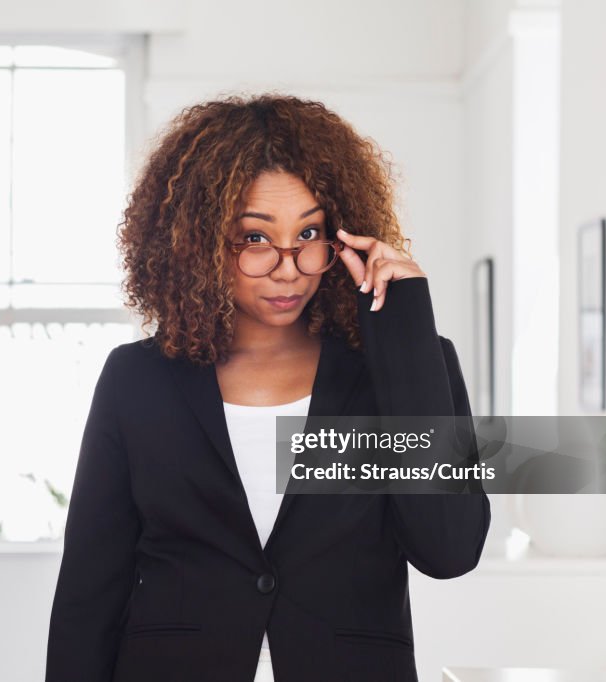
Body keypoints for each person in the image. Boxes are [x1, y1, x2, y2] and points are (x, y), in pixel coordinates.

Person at [45, 93, 491, 682]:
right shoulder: (137, 379)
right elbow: (88, 594)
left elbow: (449, 550)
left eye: (310, 233)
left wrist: (404, 322)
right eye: (255, 238)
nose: (288, 266)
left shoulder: (412, 369)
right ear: (198, 244)